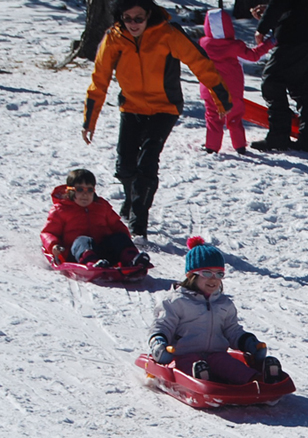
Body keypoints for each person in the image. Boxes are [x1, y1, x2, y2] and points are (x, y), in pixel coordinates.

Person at [82, 0, 233, 239]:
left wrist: (221, 98)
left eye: (138, 18)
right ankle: (131, 199)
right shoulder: (114, 38)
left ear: (148, 15)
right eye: (127, 18)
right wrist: (90, 120)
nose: (133, 24)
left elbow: (199, 62)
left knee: (147, 162)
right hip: (131, 107)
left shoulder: (168, 34)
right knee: (125, 165)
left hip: (165, 108)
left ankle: (138, 223)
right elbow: (99, 79)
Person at [147, 236, 283, 384]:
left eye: (219, 274)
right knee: (190, 366)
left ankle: (261, 379)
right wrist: (158, 344)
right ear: (190, 275)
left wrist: (248, 342)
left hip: (217, 355)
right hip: (184, 355)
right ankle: (202, 379)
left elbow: (232, 330)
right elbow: (163, 325)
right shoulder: (176, 301)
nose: (213, 279)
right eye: (206, 273)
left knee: (232, 367)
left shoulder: (224, 303)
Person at [249, 0, 308, 154]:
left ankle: (279, 135)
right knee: (302, 83)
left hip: (294, 37)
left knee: (272, 81)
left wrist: (263, 27)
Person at [198, 8, 275, 155]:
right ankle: (239, 146)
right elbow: (253, 56)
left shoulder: (203, 44)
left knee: (213, 117)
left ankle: (211, 147)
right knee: (234, 118)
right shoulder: (234, 46)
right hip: (233, 90)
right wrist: (269, 43)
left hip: (210, 89)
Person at [41, 169, 150, 268]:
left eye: (89, 190)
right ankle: (92, 263)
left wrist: (124, 242)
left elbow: (117, 225)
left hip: (103, 251)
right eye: (80, 189)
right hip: (76, 253)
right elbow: (48, 232)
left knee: (119, 237)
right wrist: (54, 245)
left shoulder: (101, 206)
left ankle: (132, 259)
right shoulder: (61, 210)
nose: (85, 194)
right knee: (83, 240)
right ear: (70, 191)